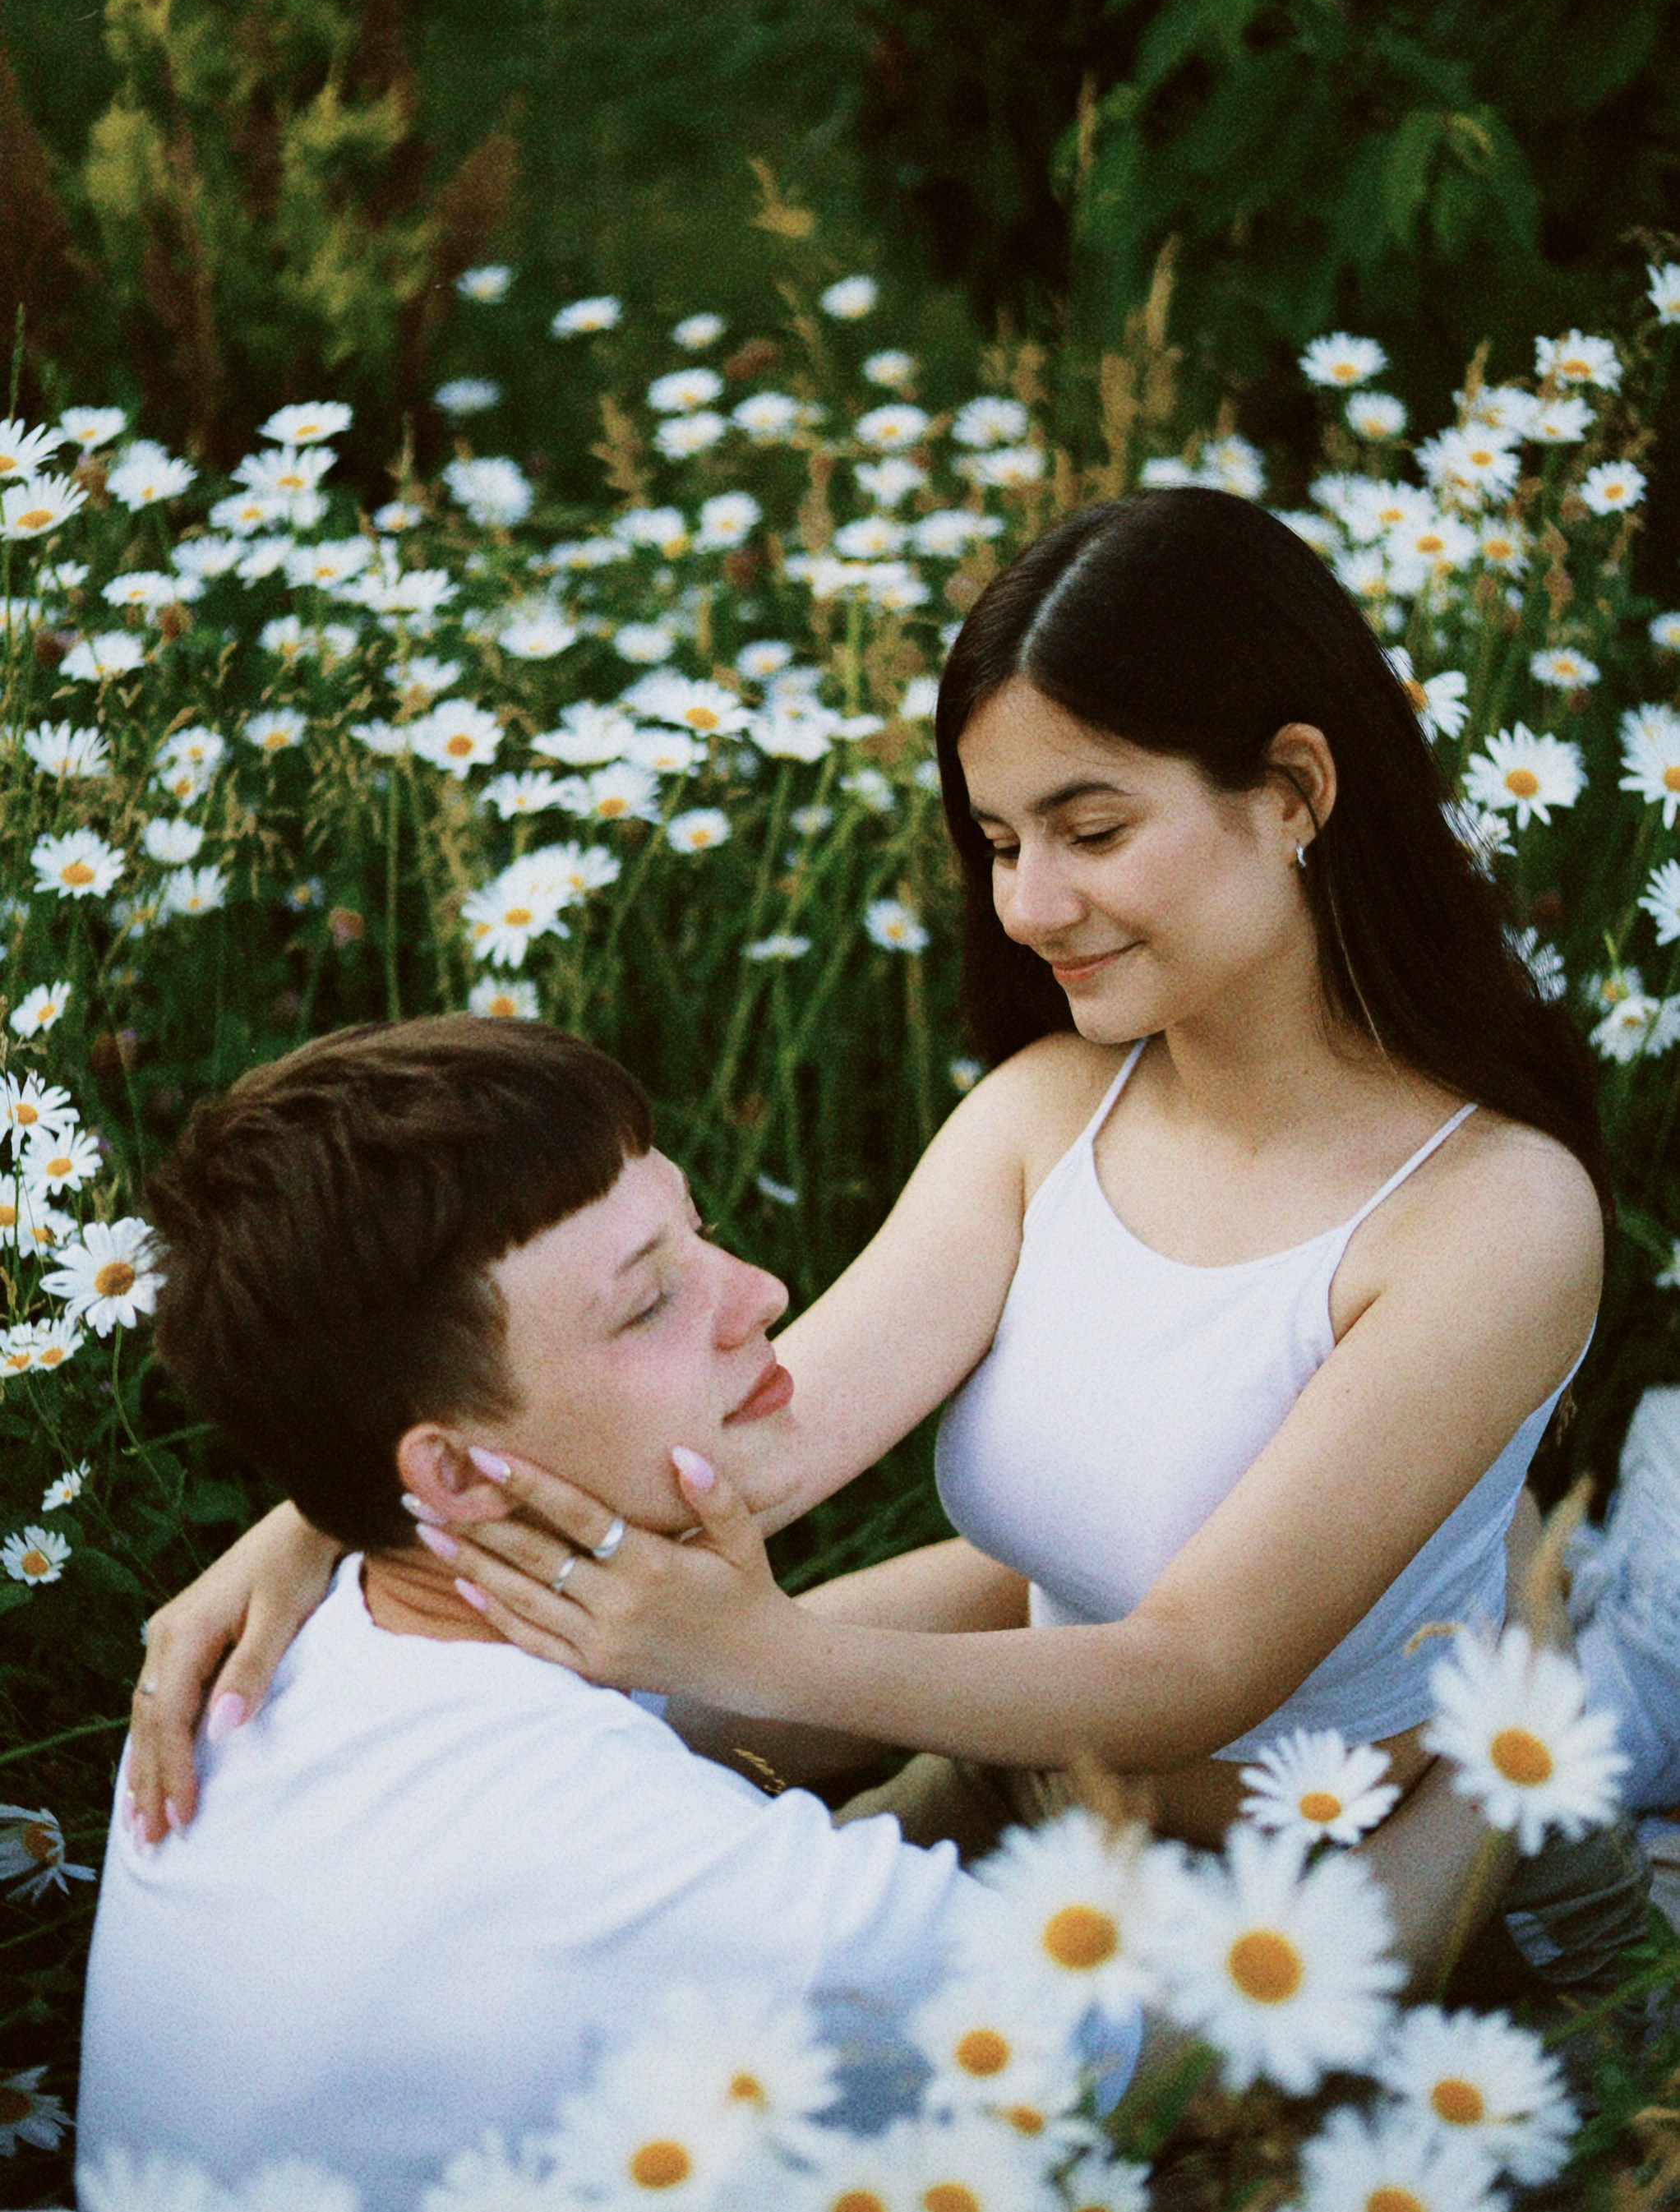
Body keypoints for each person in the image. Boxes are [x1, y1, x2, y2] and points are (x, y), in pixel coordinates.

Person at [127, 491, 1650, 1978]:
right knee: (520, 1830)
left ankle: (1598, 1656)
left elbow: (1198, 1669)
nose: (1031, 903)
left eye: (1092, 828)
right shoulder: (1049, 1115)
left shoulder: (1490, 1214)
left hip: (1367, 1899)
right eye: (997, 842)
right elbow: (739, 1443)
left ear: (1298, 791)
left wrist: (753, 1656)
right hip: (1031, 1788)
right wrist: (331, 1505)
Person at [77, 1017, 1065, 2212]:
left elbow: (763, 1683)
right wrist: (1418, 1719)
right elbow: (1199, 2060)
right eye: (650, 1299)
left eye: (697, 1232)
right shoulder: (650, 1866)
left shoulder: (314, 1645)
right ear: (450, 1472)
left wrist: (1119, 1575)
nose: (760, 1294)